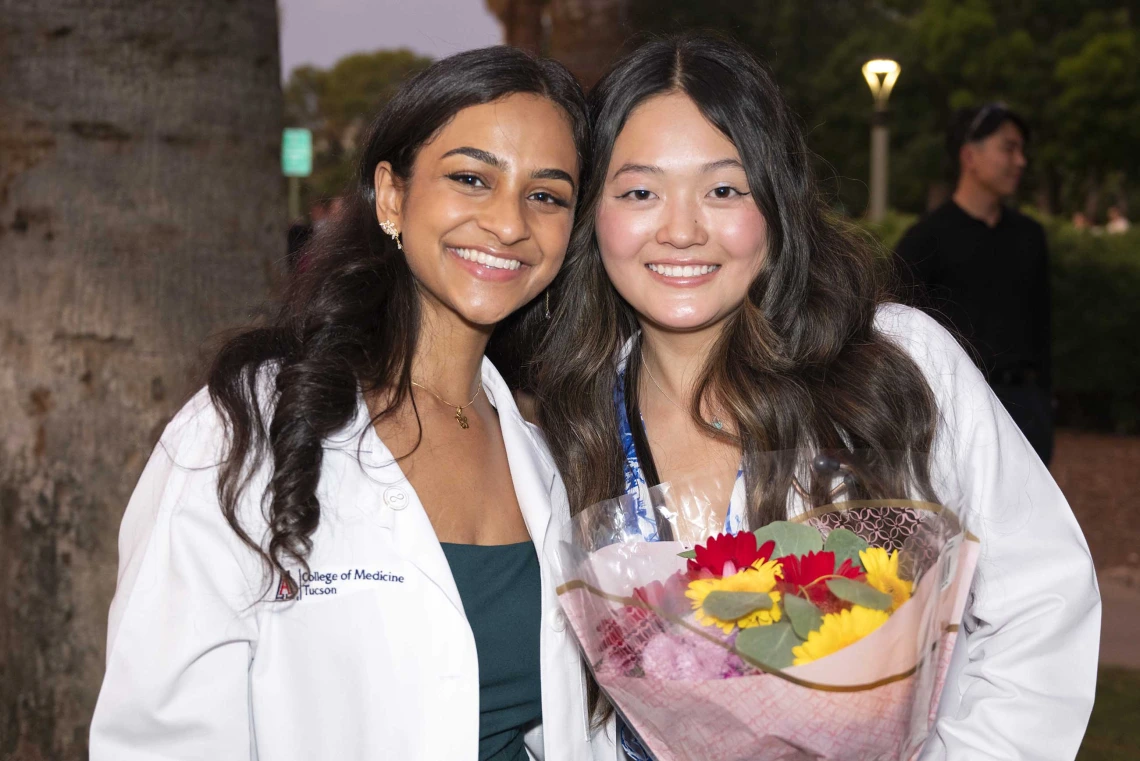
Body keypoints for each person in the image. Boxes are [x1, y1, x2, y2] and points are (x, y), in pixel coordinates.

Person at [534, 35, 1099, 759]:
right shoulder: (568, 426)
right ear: (594, 213)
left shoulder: (893, 365)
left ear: (775, 201)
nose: (680, 229)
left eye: (724, 189)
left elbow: (1042, 591)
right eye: (640, 191)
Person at [90, 47, 617, 761]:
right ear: (393, 197)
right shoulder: (246, 429)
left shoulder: (554, 450)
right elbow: (161, 737)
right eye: (470, 178)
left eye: (546, 195)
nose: (509, 222)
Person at [895, 103, 1055, 465]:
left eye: (1022, 150)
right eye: (1008, 148)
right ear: (970, 155)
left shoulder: (1030, 236)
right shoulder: (925, 240)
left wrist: (1044, 403)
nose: (1020, 161)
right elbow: (898, 333)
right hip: (954, 410)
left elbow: (1042, 327)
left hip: (1026, 408)